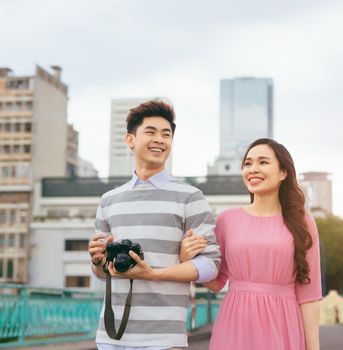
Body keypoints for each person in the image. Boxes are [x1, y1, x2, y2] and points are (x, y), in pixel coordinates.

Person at [88, 100, 221, 350]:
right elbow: (102, 273)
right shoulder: (109, 200)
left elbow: (211, 265)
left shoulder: (190, 197)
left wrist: (153, 274)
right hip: (111, 335)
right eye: (150, 132)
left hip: (164, 337)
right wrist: (96, 261)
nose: (159, 139)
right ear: (130, 140)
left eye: (166, 134)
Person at [181, 138, 322, 350]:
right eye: (248, 163)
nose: (253, 169)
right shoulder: (226, 220)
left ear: (283, 172)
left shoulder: (303, 223)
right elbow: (216, 281)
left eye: (263, 162)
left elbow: (309, 294)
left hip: (283, 324)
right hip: (234, 324)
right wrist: (188, 258)